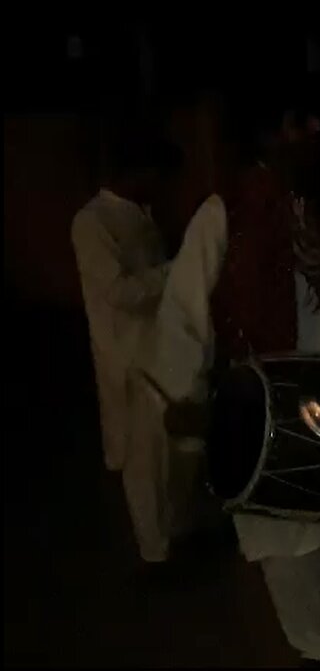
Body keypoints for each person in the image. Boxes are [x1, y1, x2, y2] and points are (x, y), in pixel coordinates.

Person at [148, 91, 320, 665]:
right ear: (268, 135)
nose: (314, 131)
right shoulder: (224, 212)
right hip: (267, 408)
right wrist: (187, 398)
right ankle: (319, 651)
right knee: (289, 546)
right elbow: (184, 313)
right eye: (298, 123)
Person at [71, 126, 175, 562]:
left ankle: (169, 541)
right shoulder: (93, 222)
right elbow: (119, 292)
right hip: (128, 360)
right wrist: (178, 271)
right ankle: (155, 556)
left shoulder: (140, 213)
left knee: (165, 458)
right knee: (141, 464)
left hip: (157, 353)